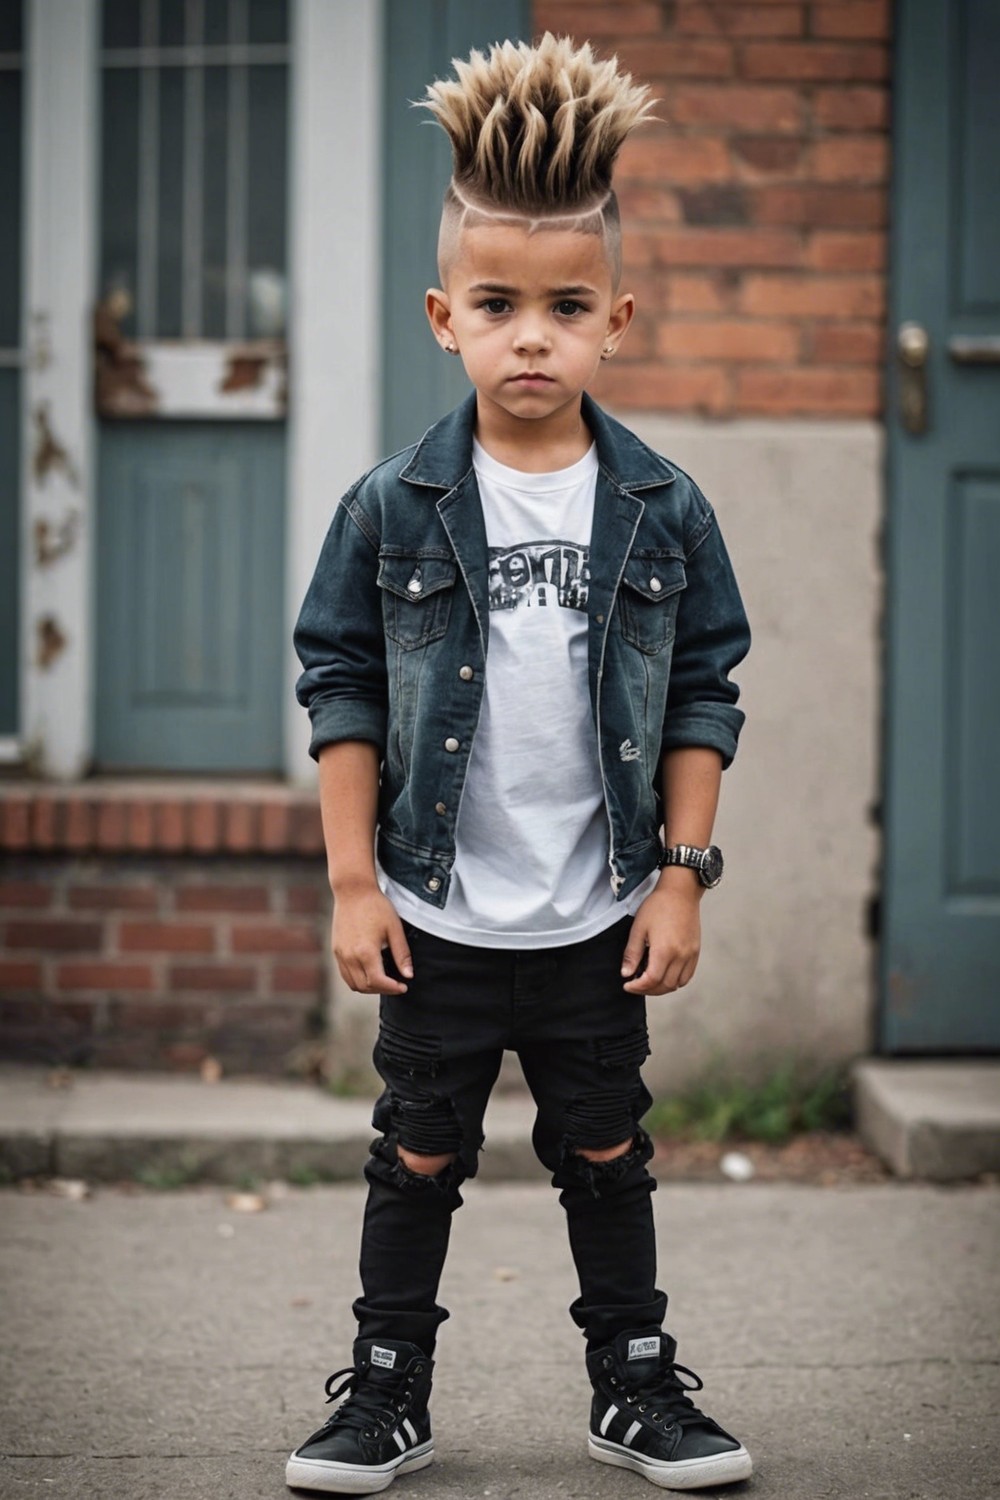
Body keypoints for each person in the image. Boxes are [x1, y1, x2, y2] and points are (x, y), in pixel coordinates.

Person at [288, 33, 752, 1495]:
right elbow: (343, 681)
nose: (531, 337)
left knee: (608, 1152)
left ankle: (634, 1386)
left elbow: (703, 690)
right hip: (436, 915)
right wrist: (356, 886)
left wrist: (678, 883)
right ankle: (382, 1392)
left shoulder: (664, 510)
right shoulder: (392, 507)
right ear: (445, 317)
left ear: (616, 318)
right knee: (416, 1155)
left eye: (564, 308)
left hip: (595, 912)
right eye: (498, 306)